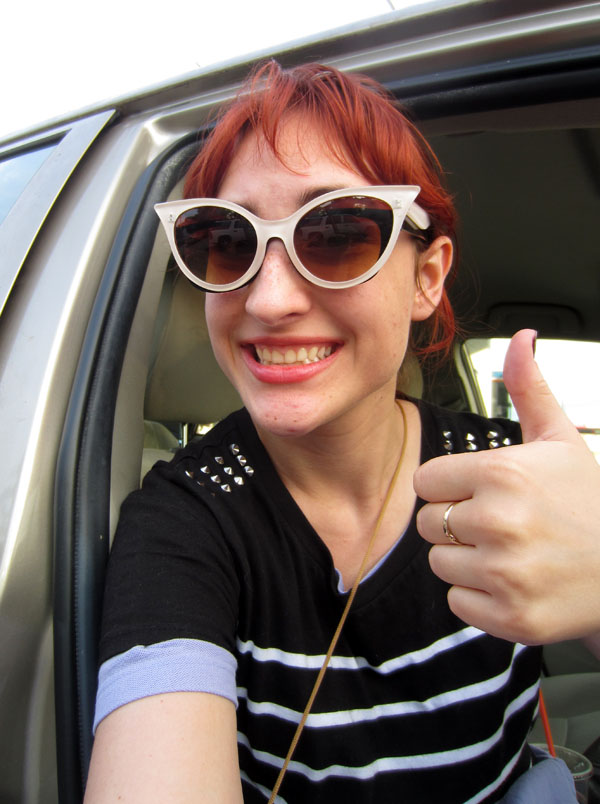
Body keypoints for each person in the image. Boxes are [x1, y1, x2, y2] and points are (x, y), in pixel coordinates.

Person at [84, 62, 600, 803]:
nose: (269, 299)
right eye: (227, 239)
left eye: (336, 232)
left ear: (427, 278)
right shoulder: (183, 519)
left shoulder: (514, 472)